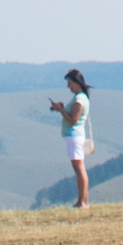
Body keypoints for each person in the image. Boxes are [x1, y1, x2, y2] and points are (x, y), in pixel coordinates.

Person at [50, 70, 96, 209]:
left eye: (70, 83)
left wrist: (61, 110)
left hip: (74, 136)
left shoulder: (79, 100)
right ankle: (82, 200)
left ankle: (83, 201)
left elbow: (72, 120)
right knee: (79, 168)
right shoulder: (80, 98)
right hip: (75, 136)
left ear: (77, 83)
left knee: (79, 169)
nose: (68, 86)